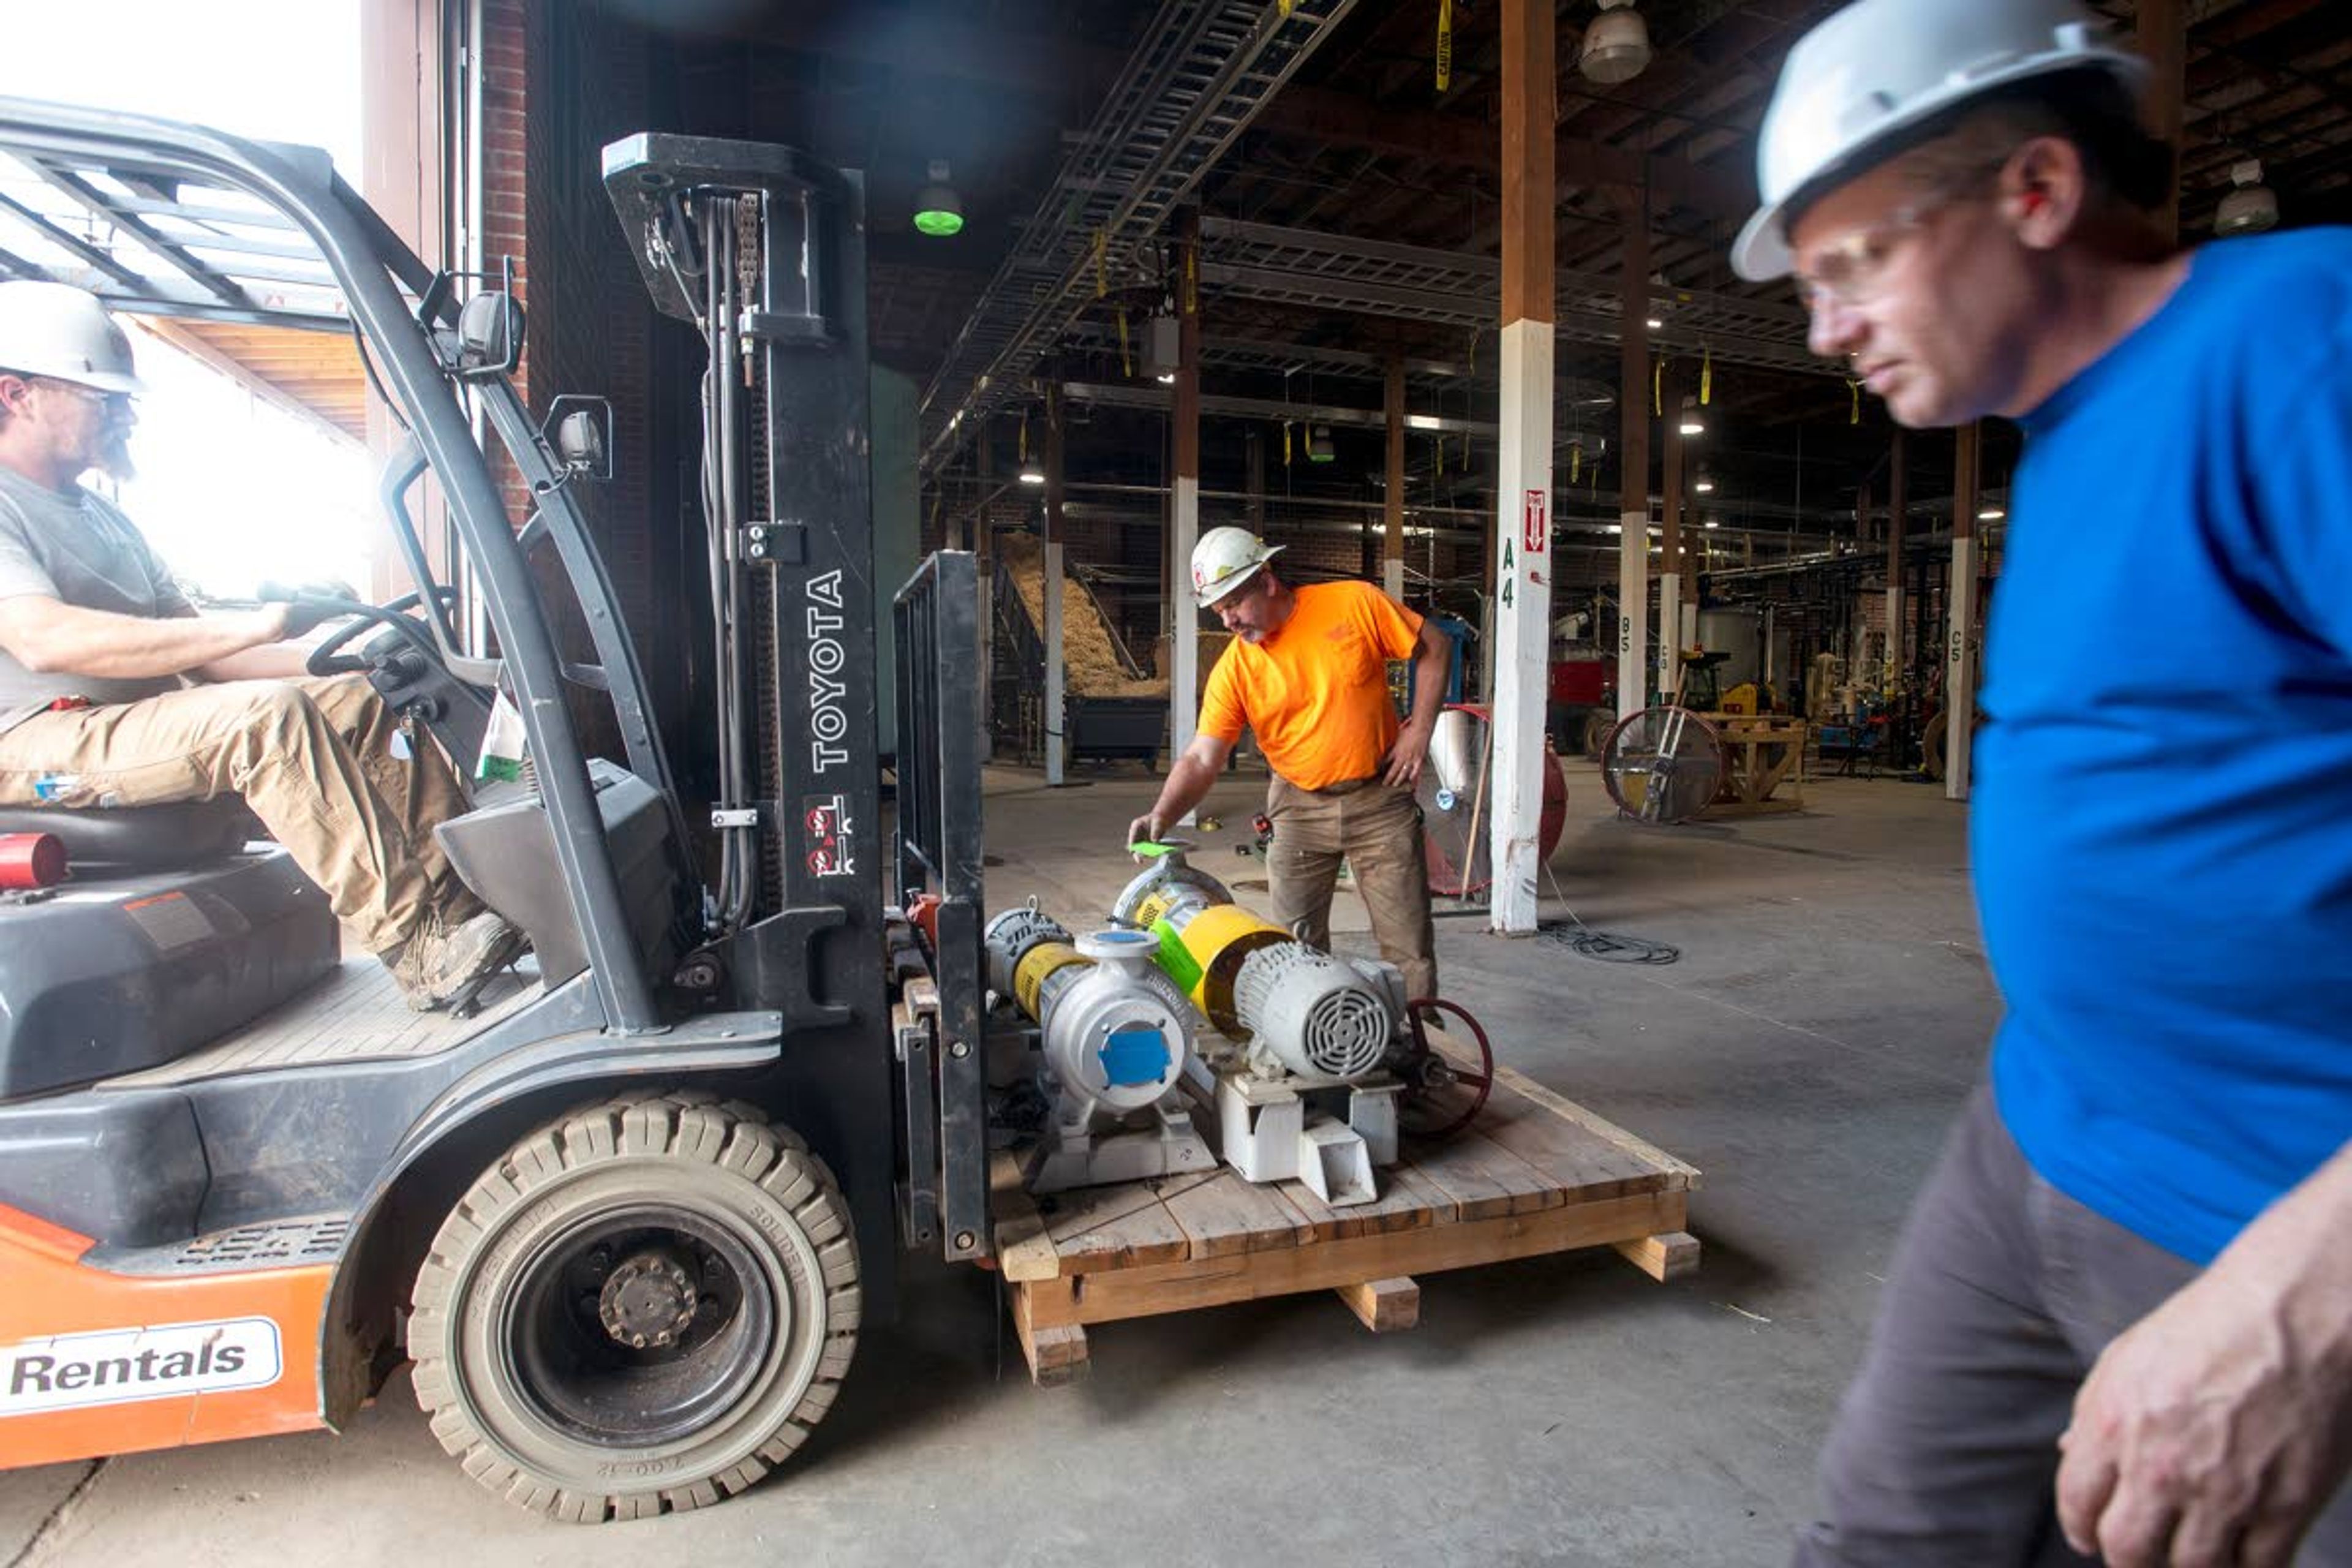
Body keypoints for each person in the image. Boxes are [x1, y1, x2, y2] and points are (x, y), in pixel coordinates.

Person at [1732, 1, 2352, 1563]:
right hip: (2039, 1130)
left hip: (2261, 1206)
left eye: (1849, 265)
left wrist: (2302, 1295)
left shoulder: (2294, 343)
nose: (1821, 328)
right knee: (1877, 1534)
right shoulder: (2055, 435)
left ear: (2032, 191)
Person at [0, 281, 519, 1011]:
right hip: (36, 737)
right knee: (266, 719)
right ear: (16, 394)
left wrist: (359, 657)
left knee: (363, 697)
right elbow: (41, 638)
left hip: (124, 722)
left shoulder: (107, 522)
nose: (125, 413)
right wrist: (252, 623)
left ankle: (464, 911)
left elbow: (213, 662)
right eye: (103, 396)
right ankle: (419, 947)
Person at [1127, 526, 1449, 1001]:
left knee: (1408, 945)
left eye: (1234, 603)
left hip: (1379, 801)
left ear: (1267, 579)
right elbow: (1202, 755)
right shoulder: (1236, 668)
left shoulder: (1353, 603)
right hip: (1298, 810)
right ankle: (1320, 1044)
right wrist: (1162, 813)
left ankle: (1420, 1046)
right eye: (1219, 610)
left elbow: (1435, 646)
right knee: (1295, 949)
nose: (1229, 621)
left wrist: (1420, 731)